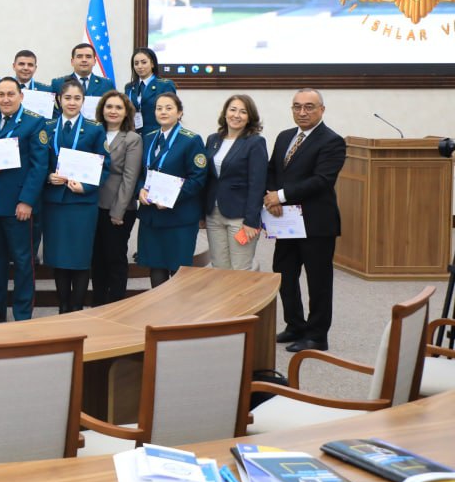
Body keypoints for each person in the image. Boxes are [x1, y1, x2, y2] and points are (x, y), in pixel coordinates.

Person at [265, 89, 346, 353]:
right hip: (285, 221)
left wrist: (281, 195)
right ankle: (295, 326)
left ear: (322, 109)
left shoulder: (332, 141)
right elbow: (272, 170)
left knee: (318, 281)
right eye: (297, 106)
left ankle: (317, 335)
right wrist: (271, 196)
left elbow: (322, 180)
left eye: (309, 107)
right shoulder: (284, 136)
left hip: (316, 223)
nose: (302, 112)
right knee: (284, 274)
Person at [0, 78, 49, 323]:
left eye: (10, 94)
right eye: (1, 94)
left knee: (23, 262)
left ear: (21, 96)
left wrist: (26, 201)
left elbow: (39, 167)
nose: (5, 99)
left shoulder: (34, 123)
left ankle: (22, 314)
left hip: (18, 206)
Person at [41, 79, 109, 312]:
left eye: (77, 98)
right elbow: (39, 162)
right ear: (59, 100)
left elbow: (105, 165)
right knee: (58, 258)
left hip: (81, 203)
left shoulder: (94, 128)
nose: (72, 102)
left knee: (79, 258)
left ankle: (76, 308)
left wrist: (86, 186)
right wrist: (48, 176)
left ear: (83, 101)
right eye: (67, 98)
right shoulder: (47, 127)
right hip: (55, 202)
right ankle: (63, 308)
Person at [136, 92, 207, 288]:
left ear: (179, 112)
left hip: (179, 217)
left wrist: (170, 197)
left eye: (169, 108)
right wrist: (140, 189)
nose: (163, 112)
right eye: (159, 108)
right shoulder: (148, 138)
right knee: (156, 268)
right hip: (152, 216)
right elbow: (141, 173)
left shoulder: (191, 140)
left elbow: (198, 178)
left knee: (178, 273)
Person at [204, 94, 267, 271]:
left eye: (243, 112)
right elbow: (209, 178)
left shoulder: (255, 142)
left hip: (240, 217)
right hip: (214, 214)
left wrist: (251, 220)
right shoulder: (213, 139)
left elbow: (257, 184)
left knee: (240, 270)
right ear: (225, 113)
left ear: (250, 117)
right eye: (233, 110)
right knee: (219, 268)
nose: (236, 115)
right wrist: (202, 213)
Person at [91, 90, 142, 306]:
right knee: (97, 259)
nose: (113, 111)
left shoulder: (132, 138)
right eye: (109, 106)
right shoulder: (94, 133)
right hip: (93, 205)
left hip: (118, 209)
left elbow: (130, 177)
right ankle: (98, 305)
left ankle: (116, 306)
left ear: (126, 112)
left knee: (115, 258)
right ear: (102, 109)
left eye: (118, 107)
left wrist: (118, 211)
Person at [124, 47, 176, 133]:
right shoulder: (129, 87)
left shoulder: (165, 85)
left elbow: (170, 114)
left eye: (144, 62)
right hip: (134, 135)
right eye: (136, 63)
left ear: (152, 64)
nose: (139, 66)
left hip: (156, 134)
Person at [50, 43, 116, 100]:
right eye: (79, 56)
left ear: (94, 62)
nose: (84, 60)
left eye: (88, 57)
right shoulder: (58, 84)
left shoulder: (106, 84)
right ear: (72, 62)